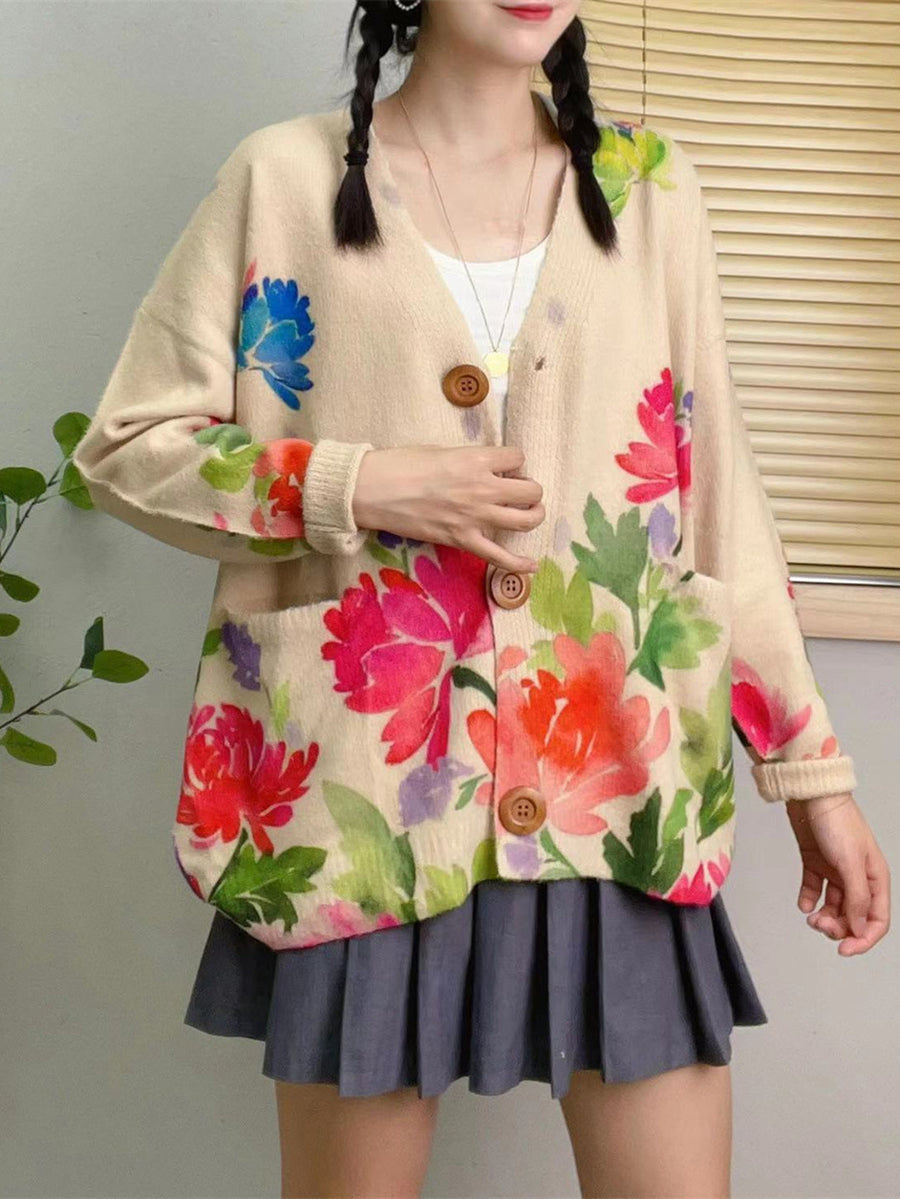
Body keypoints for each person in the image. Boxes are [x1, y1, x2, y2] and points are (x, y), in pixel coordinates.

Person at [72, 1, 890, 1195]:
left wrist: (811, 771)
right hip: (368, 793)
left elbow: (718, 497)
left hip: (617, 789)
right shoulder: (284, 181)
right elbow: (127, 449)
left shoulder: (649, 191)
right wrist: (363, 484)